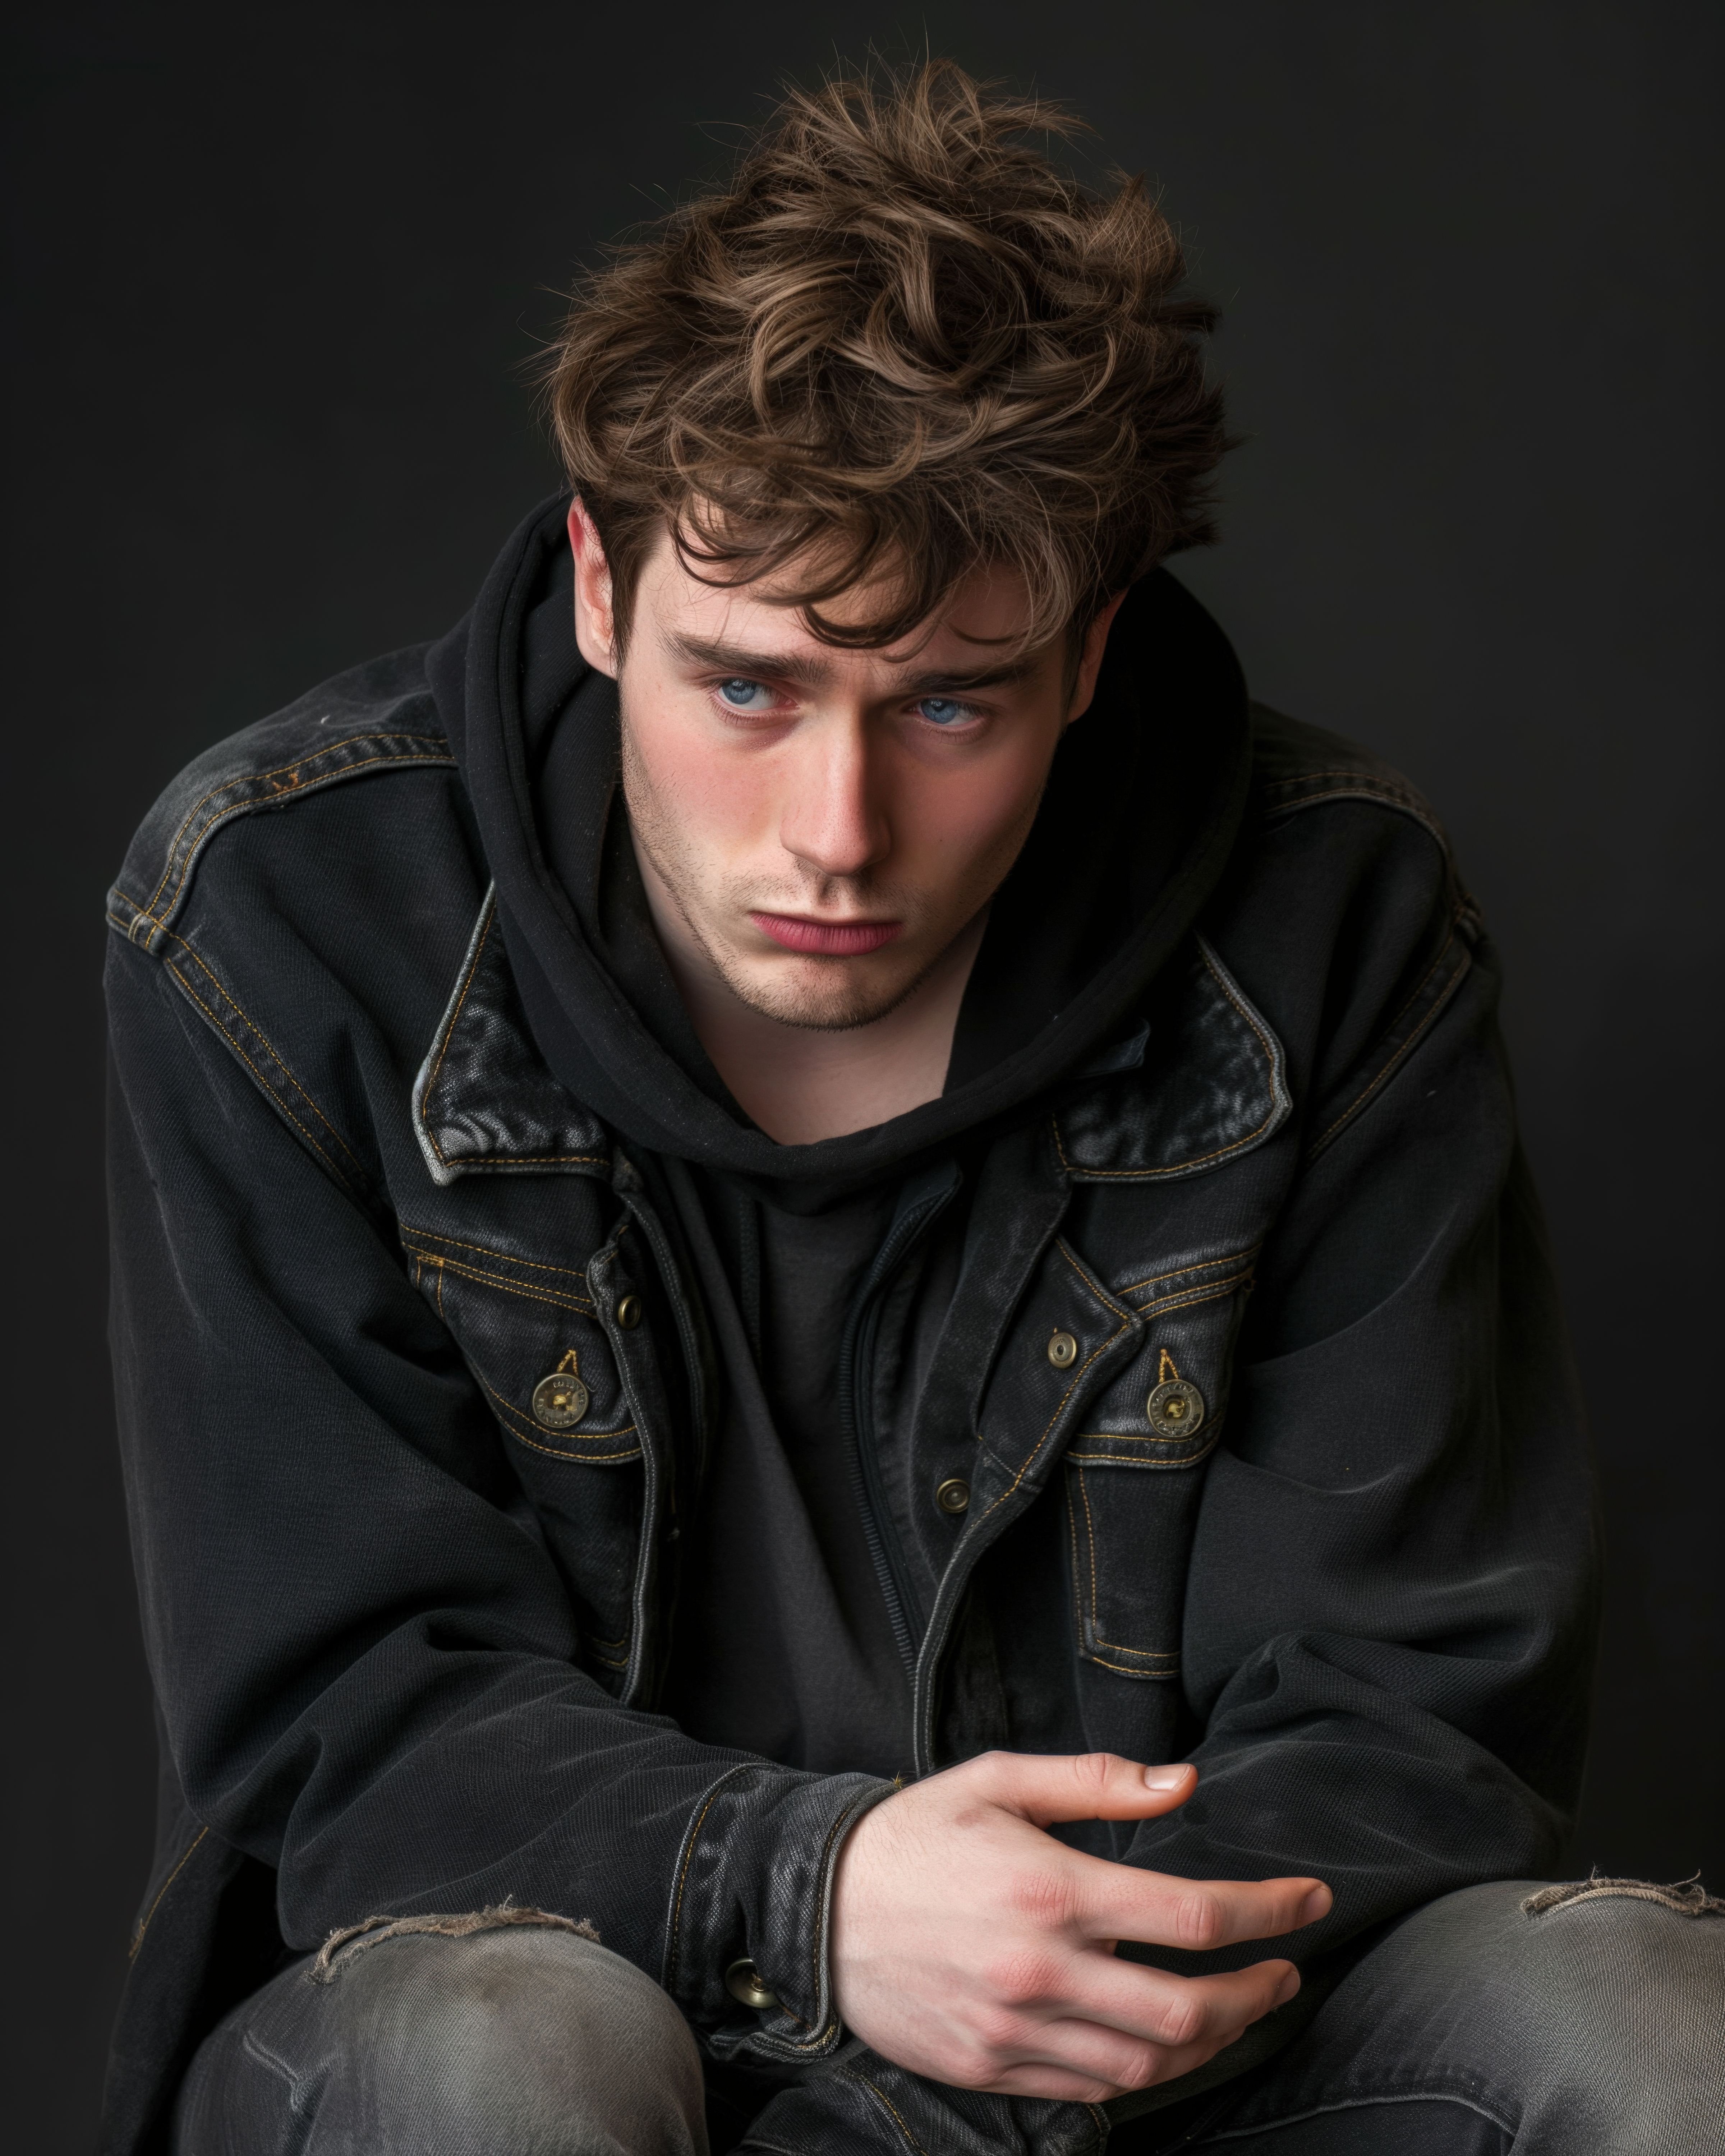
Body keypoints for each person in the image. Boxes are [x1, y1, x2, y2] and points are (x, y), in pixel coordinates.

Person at [102, 59, 1719, 2156]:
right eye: (747, 687)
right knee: (503, 2051)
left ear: (1090, 659)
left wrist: (955, 2069)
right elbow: (347, 1724)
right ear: (602, 591)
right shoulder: (282, 918)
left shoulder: (1334, 925)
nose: (836, 833)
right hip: (535, 1990)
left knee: (1654, 2024)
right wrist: (822, 1899)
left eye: (952, 702)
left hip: (1156, 2040)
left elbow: (1412, 1717)